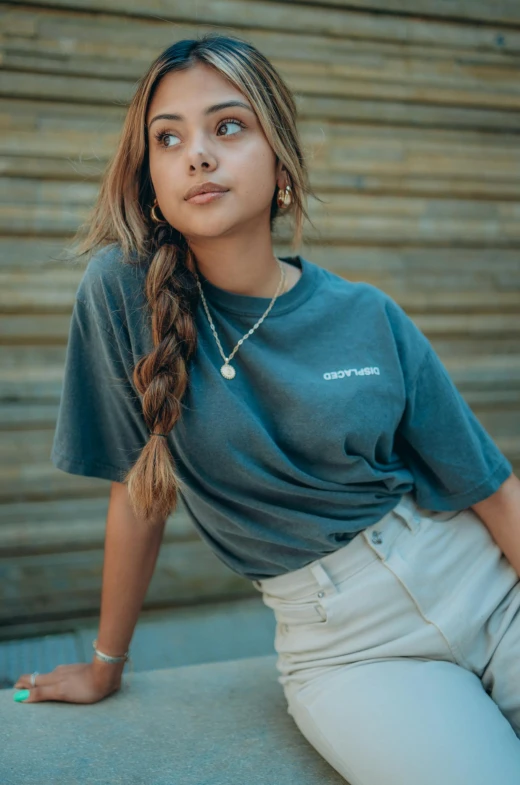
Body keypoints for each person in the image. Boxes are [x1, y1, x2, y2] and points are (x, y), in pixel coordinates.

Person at [12, 32, 520, 785]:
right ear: (150, 177)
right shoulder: (121, 297)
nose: (198, 154)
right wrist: (106, 663)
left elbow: (490, 488)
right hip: (352, 648)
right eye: (168, 138)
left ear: (279, 162)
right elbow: (138, 495)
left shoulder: (368, 314)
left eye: (228, 126)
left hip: (485, 585)